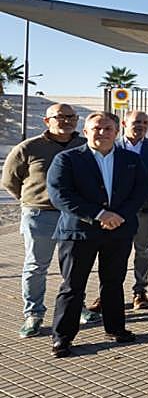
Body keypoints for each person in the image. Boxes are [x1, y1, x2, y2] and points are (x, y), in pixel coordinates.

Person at [45, 112, 148, 357]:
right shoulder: (67, 159)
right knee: (73, 286)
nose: (102, 133)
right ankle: (62, 337)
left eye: (108, 129)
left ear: (116, 132)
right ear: (85, 132)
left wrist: (120, 216)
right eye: (96, 128)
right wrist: (99, 214)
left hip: (118, 231)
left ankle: (116, 328)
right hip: (79, 232)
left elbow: (142, 190)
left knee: (113, 282)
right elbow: (60, 195)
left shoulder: (130, 160)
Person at [3, 103, 86, 337]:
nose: (67, 121)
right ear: (47, 121)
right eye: (61, 117)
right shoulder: (28, 148)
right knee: (36, 266)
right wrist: (31, 199)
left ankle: (77, 307)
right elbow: (10, 181)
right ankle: (33, 313)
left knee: (75, 266)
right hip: (40, 215)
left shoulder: (83, 146)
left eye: (72, 117)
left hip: (74, 216)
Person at [115, 110, 148, 309]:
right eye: (136, 122)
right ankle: (109, 291)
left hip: (146, 207)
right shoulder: (113, 146)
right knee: (115, 251)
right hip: (117, 210)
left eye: (145, 122)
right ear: (125, 124)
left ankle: (140, 290)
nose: (141, 125)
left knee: (143, 251)